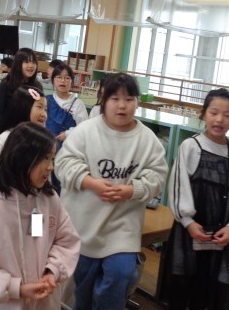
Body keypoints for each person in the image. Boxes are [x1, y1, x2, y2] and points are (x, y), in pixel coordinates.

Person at [54, 73, 168, 310]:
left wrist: (132, 190)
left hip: (123, 227)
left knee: (120, 273)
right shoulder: (85, 131)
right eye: (115, 98)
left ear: (137, 102)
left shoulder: (147, 139)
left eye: (129, 99)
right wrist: (89, 182)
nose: (122, 105)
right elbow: (63, 164)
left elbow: (157, 176)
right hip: (84, 224)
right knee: (83, 290)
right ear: (103, 101)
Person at [0, 122, 81, 309]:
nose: (51, 167)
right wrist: (17, 289)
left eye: (52, 159)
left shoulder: (48, 199)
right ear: (22, 158)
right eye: (45, 159)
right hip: (5, 304)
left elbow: (67, 240)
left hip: (43, 302)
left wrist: (52, 271)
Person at [162, 88, 229, 310]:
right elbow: (178, 187)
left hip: (219, 236)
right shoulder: (191, 146)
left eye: (227, 115)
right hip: (189, 232)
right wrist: (188, 222)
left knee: (208, 293)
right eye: (213, 113)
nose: (219, 119)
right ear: (203, 114)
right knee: (182, 288)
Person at [0, 85, 47, 221]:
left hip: (30, 216)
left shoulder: (41, 145)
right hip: (3, 217)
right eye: (39, 107)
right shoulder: (5, 141)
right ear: (24, 107)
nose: (44, 114)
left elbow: (39, 195)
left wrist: (37, 231)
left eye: (46, 109)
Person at [45, 63, 88, 191]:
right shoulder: (46, 100)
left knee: (61, 184)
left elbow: (84, 129)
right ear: (53, 80)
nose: (63, 81)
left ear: (72, 82)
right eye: (59, 77)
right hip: (46, 148)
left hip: (67, 151)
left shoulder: (78, 104)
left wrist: (68, 134)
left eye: (67, 78)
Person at [0, 48, 43, 133]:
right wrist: (2, 133)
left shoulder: (37, 86)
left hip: (29, 132)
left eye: (34, 62)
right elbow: (0, 112)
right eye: (26, 62)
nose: (31, 66)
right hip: (8, 131)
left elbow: (39, 112)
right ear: (18, 64)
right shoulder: (6, 84)